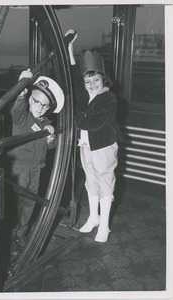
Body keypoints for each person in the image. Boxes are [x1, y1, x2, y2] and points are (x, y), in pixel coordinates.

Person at [65, 29, 121, 243]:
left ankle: (104, 227)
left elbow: (97, 122)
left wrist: (77, 120)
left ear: (103, 79)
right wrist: (70, 48)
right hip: (85, 145)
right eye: (88, 82)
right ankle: (94, 218)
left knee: (105, 183)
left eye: (96, 80)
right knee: (91, 181)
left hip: (104, 145)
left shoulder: (109, 98)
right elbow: (72, 73)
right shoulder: (83, 94)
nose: (92, 85)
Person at [6, 69, 65, 257]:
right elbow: (17, 107)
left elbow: (50, 148)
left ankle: (21, 234)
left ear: (49, 109)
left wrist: (50, 138)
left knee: (30, 203)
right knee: (15, 204)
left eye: (45, 105)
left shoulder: (46, 123)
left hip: (36, 169)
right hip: (18, 167)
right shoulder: (22, 117)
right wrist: (21, 89)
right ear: (30, 99)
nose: (39, 107)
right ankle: (10, 238)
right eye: (36, 101)